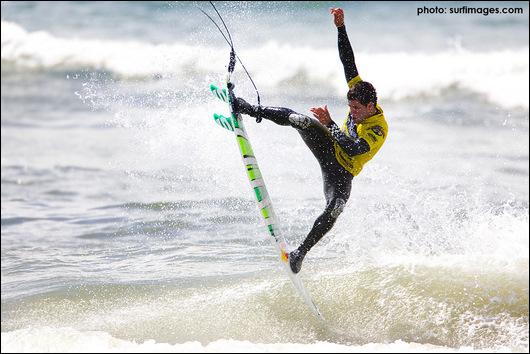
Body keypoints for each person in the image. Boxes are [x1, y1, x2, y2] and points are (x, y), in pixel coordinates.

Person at [234, 8, 388, 274]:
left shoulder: (379, 129)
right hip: (328, 147)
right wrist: (341, 27)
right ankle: (248, 109)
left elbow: (353, 148)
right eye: (349, 107)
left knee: (336, 207)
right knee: (301, 120)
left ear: (371, 105)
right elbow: (348, 62)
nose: (352, 112)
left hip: (342, 172)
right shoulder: (359, 90)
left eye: (356, 109)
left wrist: (329, 123)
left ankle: (299, 254)